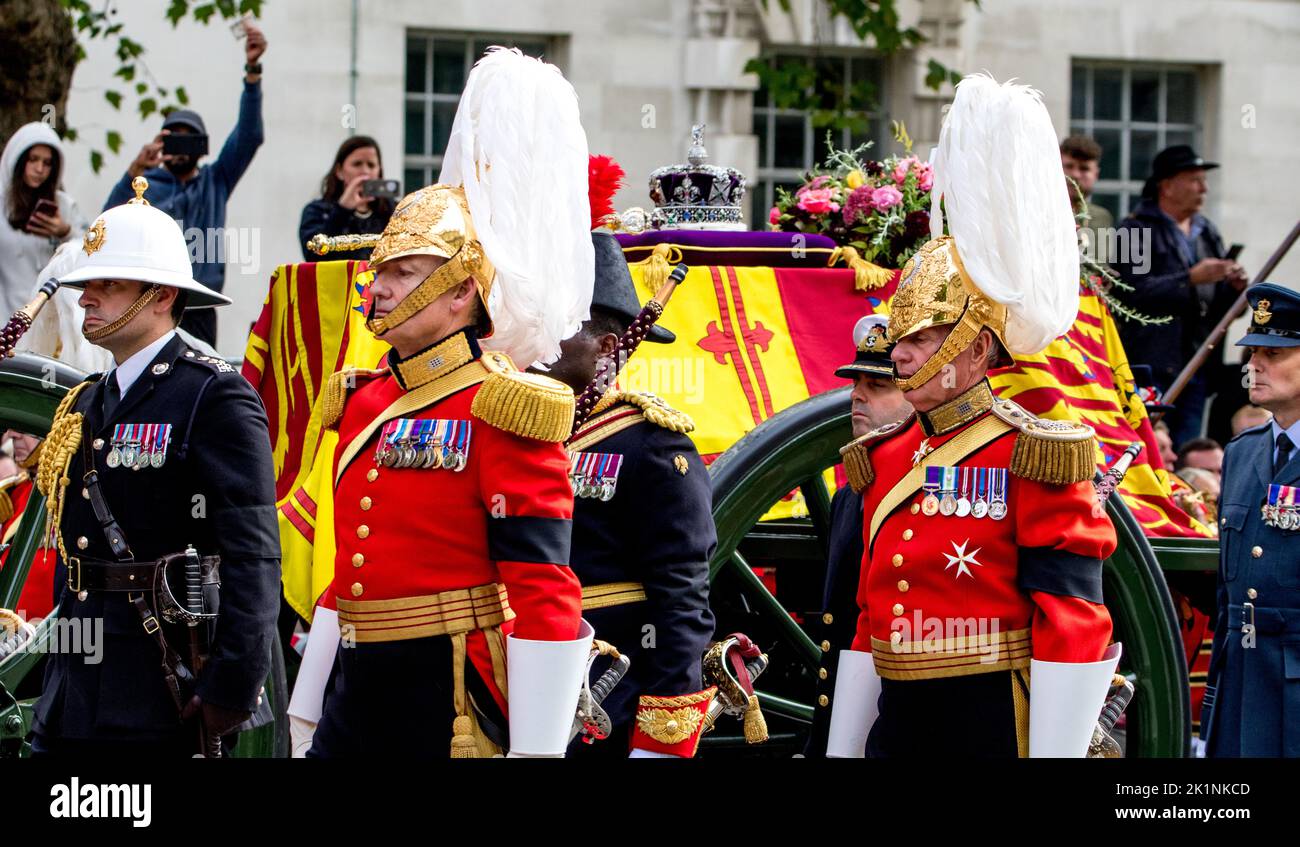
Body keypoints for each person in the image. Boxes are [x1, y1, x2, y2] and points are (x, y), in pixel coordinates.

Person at [301, 48, 596, 759]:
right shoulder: (366, 397)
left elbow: (543, 589)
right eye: (380, 273)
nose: (380, 290)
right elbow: (349, 572)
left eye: (404, 273)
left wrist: (534, 750)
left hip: (451, 697)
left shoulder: (502, 407)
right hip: (357, 693)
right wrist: (307, 704)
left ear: (462, 291)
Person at [826, 75, 1119, 759]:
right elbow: (871, 620)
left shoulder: (1034, 454)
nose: (900, 354)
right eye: (902, 338)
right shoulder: (886, 456)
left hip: (988, 720)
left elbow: (1072, 620)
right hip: (897, 722)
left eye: (923, 339)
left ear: (978, 346)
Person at [29, 176, 280, 757]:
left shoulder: (213, 395)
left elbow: (254, 554)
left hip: (161, 686)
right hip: (73, 684)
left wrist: (233, 687)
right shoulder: (88, 401)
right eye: (86, 285)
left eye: (106, 285)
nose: (85, 297)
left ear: (162, 296)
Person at [539, 228, 717, 757]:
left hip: (610, 690)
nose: (539, 343)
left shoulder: (652, 446)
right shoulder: (527, 432)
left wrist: (664, 738)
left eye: (558, 329)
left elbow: (682, 601)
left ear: (607, 346)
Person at [102, 20, 268, 346]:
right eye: (172, 140)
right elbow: (107, 225)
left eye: (188, 140)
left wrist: (253, 71)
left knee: (199, 379)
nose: (180, 148)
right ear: (160, 144)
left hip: (199, 303)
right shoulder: (145, 184)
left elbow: (250, 136)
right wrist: (134, 170)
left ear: (202, 146)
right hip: (151, 300)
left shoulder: (215, 180)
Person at [805, 313, 911, 757]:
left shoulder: (925, 493)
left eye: (878, 386)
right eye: (857, 383)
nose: (857, 396)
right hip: (849, 706)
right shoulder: (852, 495)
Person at [1203, 283, 1300, 757]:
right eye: (1253, 351)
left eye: (1275, 353)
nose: (1254, 364)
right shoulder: (1242, 453)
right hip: (1241, 678)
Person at [1111, 145, 1247, 449]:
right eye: (1194, 180)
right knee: (1150, 445)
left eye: (1203, 180)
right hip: (1152, 365)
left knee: (1189, 446)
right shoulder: (1135, 229)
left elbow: (1220, 308)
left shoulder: (1206, 231)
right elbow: (1130, 295)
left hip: (1198, 363)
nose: (1204, 188)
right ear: (1167, 186)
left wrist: (1234, 289)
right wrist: (1189, 279)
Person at [0, 122, 86, 319]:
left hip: (49, 320)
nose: (39, 169)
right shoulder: (2, 205)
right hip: (5, 317)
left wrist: (65, 232)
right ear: (18, 160)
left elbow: (91, 251)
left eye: (47, 163)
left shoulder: (64, 205)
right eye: (33, 160)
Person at [298, 136, 394, 262]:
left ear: (379, 171)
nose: (365, 172)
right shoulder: (317, 210)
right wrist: (342, 209)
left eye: (371, 165)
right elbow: (313, 257)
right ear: (339, 171)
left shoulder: (391, 211)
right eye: (357, 164)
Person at [0, 430, 57, 621]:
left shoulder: (72, 493)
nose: (12, 435)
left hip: (62, 634)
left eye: (26, 431)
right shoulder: (12, 494)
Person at [1060, 135, 1113, 264]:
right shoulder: (1039, 212)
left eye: (1084, 168)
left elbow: (1099, 266)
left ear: (1096, 174)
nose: (1075, 175)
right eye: (1069, 166)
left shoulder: (1101, 217)